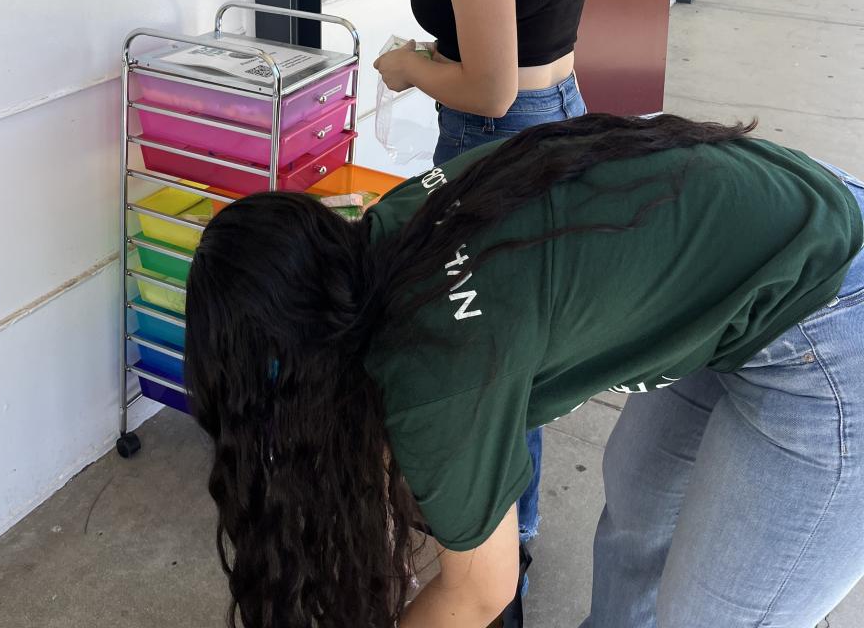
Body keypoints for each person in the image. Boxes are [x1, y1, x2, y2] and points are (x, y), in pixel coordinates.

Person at [185, 114, 864, 628]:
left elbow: (480, 591)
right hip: (766, 228)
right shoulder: (389, 226)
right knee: (638, 519)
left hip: (830, 314)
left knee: (709, 615)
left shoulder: (431, 379)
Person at [373, 0, 590, 570]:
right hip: (560, 113)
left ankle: (502, 533)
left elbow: (491, 92)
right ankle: (515, 525)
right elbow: (528, 40)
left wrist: (409, 67)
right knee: (522, 338)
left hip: (495, 140)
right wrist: (449, 54)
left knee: (490, 348)